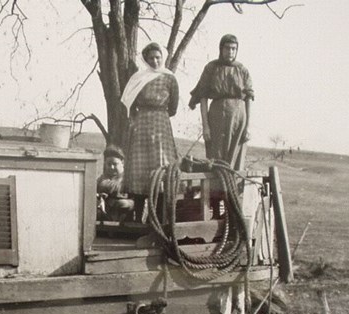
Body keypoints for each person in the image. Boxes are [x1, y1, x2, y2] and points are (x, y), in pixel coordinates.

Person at [121, 42, 179, 223]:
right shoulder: (139, 77)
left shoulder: (170, 79)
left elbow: (174, 107)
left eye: (158, 57)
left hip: (161, 126)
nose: (154, 61)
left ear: (163, 58)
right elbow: (129, 103)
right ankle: (137, 217)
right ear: (145, 60)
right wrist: (139, 119)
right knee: (139, 170)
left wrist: (158, 114)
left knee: (160, 168)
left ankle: (158, 219)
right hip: (141, 127)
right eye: (151, 58)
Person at [188, 34, 254, 169]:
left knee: (236, 157)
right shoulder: (211, 68)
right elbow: (203, 97)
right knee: (216, 155)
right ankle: (215, 189)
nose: (230, 52)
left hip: (238, 118)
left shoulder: (242, 70)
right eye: (227, 48)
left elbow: (248, 99)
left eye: (233, 49)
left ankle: (233, 188)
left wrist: (247, 127)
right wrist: (205, 126)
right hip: (217, 116)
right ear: (221, 49)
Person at [96, 145, 134, 223]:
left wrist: (107, 189)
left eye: (115, 164)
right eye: (109, 164)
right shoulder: (102, 177)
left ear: (122, 163)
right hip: (105, 212)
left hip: (122, 214)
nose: (112, 167)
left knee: (123, 203)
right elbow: (96, 186)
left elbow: (124, 188)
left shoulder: (128, 178)